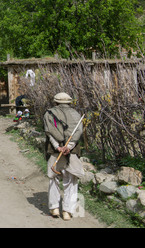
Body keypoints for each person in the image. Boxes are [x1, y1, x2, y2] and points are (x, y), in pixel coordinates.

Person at [43, 92, 84, 221]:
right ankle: (67, 211)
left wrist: (58, 147)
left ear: (55, 102)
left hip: (56, 151)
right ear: (69, 102)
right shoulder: (76, 115)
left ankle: (54, 208)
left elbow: (50, 133)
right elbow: (78, 132)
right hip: (71, 152)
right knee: (71, 181)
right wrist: (69, 147)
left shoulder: (49, 114)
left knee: (53, 178)